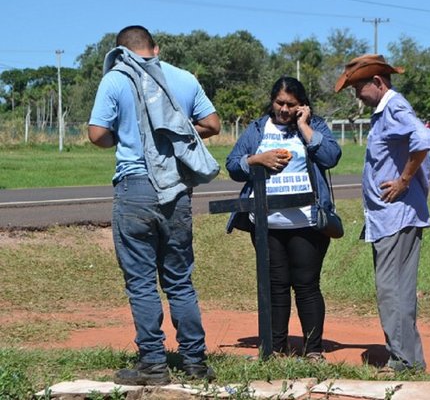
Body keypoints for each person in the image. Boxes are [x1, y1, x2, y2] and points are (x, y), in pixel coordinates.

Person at [88, 25, 220, 385]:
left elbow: (97, 134)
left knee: (142, 281)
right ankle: (194, 361)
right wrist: (177, 135)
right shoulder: (182, 78)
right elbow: (212, 123)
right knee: (179, 279)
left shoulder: (116, 79)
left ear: (120, 51)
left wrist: (125, 135)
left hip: (135, 189)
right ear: (155, 48)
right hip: (176, 189)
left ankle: (153, 364)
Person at [226, 77, 342, 360]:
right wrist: (256, 160)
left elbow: (331, 156)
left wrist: (304, 127)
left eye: (291, 104)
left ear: (302, 105)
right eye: (280, 103)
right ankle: (275, 348)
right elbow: (232, 165)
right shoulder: (256, 129)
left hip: (306, 222)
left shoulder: (315, 127)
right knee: (275, 286)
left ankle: (313, 350)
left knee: (306, 285)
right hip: (267, 224)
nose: (284, 109)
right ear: (272, 101)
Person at [335, 54, 430, 373]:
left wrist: (404, 180)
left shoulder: (394, 106)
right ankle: (411, 360)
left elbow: (423, 139)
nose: (356, 94)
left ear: (377, 82)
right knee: (400, 290)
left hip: (396, 215)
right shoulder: (386, 109)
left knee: (390, 290)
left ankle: (401, 359)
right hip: (393, 216)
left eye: (358, 87)